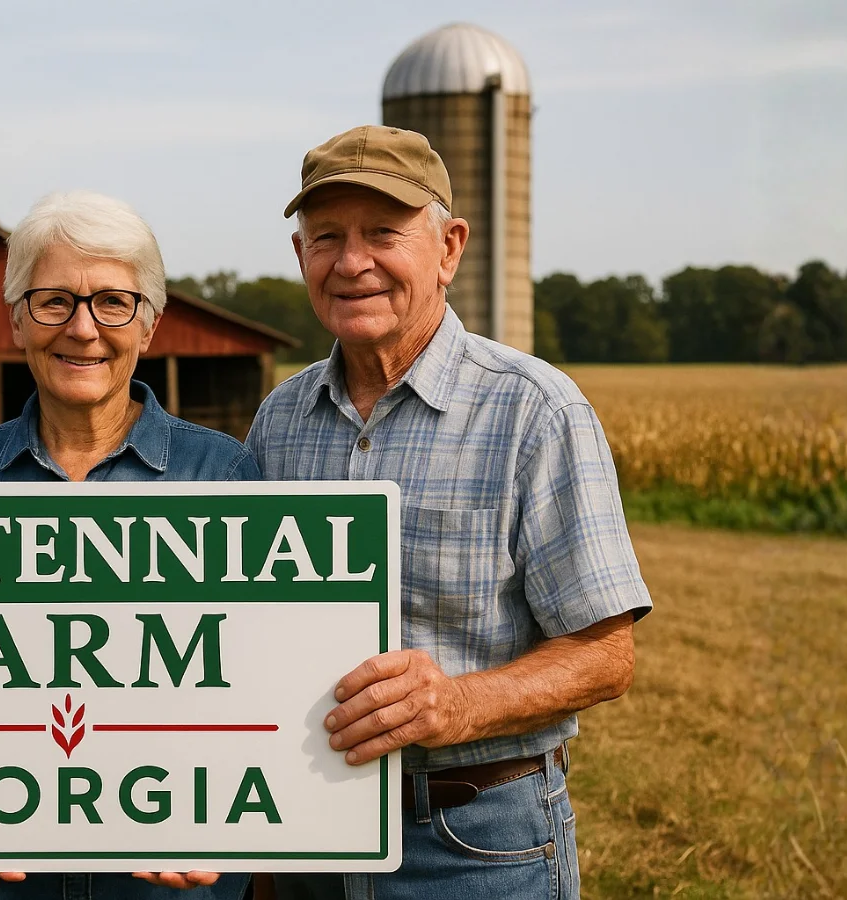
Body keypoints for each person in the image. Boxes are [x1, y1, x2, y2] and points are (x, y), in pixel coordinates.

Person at [249, 126, 651, 900]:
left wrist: (458, 703)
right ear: (302, 257)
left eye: (383, 234)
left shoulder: (534, 409)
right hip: (303, 831)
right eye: (327, 236)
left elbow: (607, 654)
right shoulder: (280, 419)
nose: (352, 261)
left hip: (473, 842)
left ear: (450, 248)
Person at [0, 190, 257, 900]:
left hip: (170, 880)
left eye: (113, 302)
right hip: (3, 880)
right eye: (53, 302)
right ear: (16, 318)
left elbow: (260, 684)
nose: (82, 329)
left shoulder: (224, 474)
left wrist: (231, 824)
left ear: (151, 324)